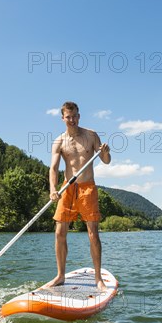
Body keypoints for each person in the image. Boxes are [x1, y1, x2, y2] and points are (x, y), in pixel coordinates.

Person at [45, 101, 111, 290]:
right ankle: (60, 276)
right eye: (68, 117)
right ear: (63, 118)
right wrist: (52, 189)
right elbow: (54, 168)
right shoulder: (59, 141)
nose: (72, 120)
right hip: (67, 188)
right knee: (59, 233)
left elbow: (106, 161)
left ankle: (98, 278)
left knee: (93, 234)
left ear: (79, 116)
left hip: (87, 188)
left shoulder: (91, 135)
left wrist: (105, 153)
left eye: (74, 116)